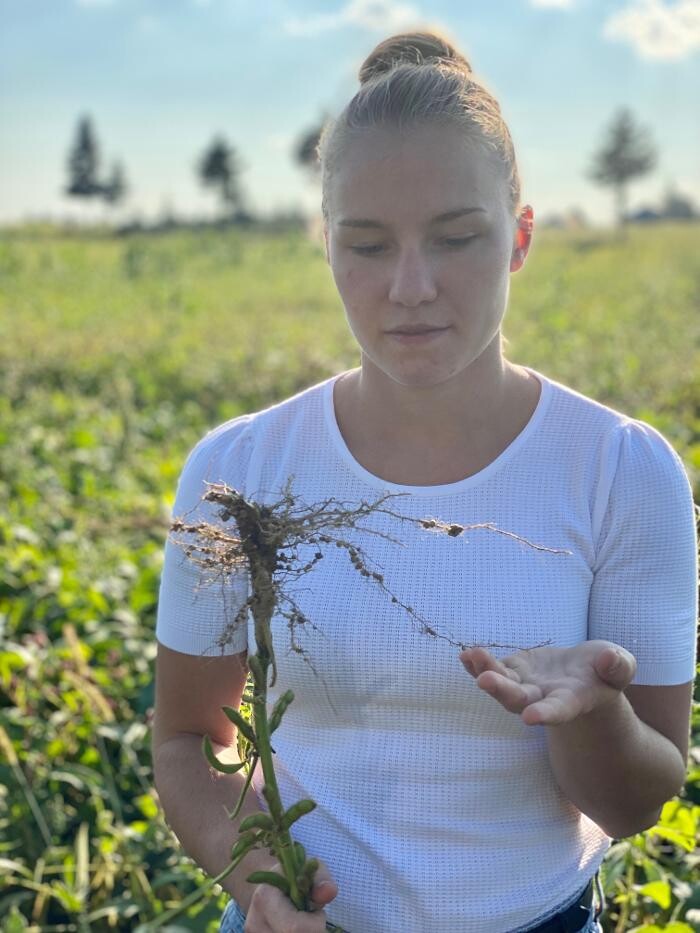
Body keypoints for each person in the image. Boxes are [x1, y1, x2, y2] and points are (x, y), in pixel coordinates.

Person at [151, 30, 698, 933]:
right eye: (367, 245)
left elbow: (640, 800)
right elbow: (185, 740)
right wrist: (258, 880)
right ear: (324, 244)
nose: (411, 286)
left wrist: (591, 715)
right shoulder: (239, 469)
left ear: (519, 237)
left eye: (455, 238)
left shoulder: (619, 470)